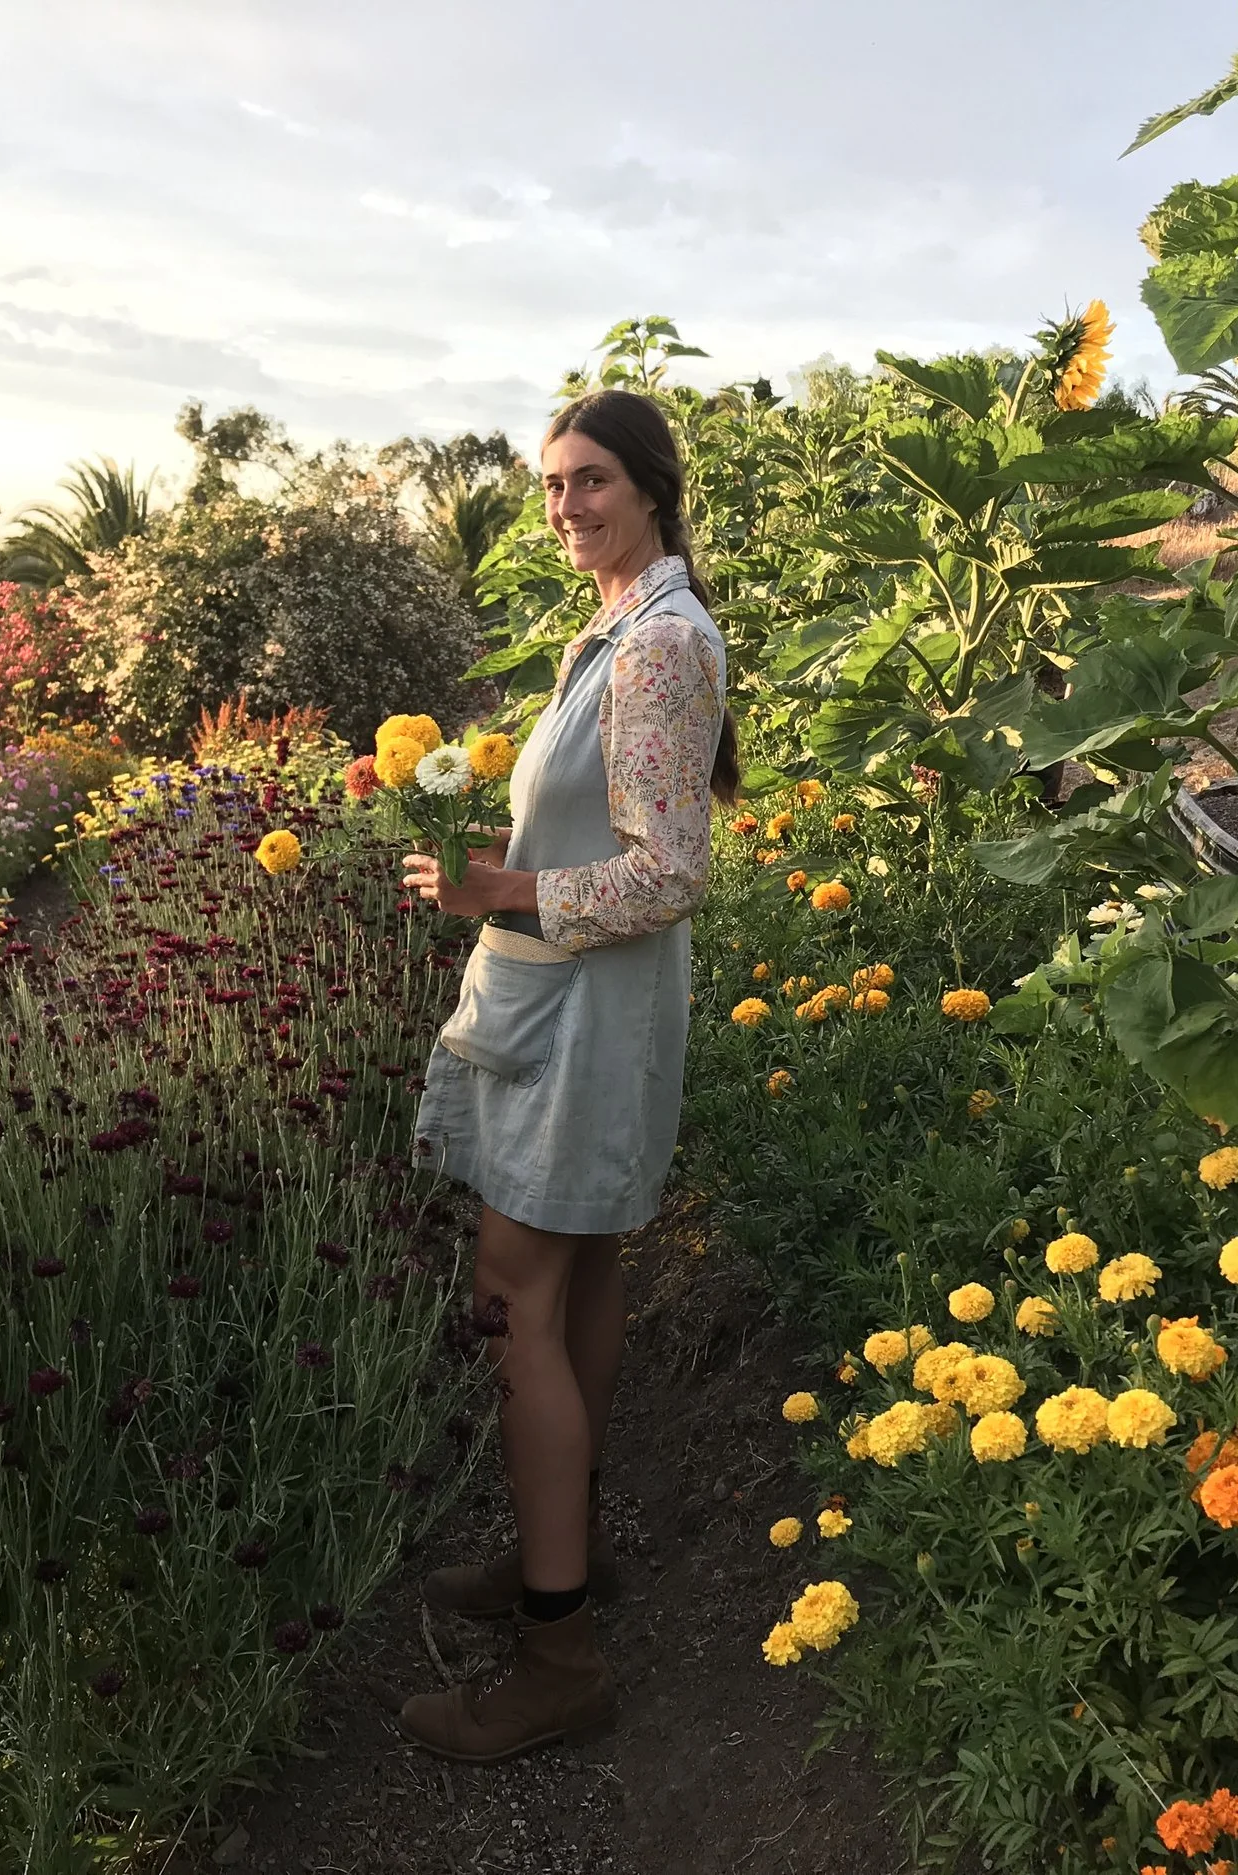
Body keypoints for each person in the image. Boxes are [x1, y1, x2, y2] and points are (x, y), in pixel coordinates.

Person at [396, 388, 735, 1762]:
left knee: (510, 1295)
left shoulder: (657, 645)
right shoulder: (626, 627)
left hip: (580, 1018)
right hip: (585, 1004)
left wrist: (503, 885)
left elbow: (671, 870)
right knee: (579, 1274)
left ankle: (558, 1650)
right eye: (551, 484)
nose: (565, 505)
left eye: (591, 479)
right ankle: (565, 1554)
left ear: (652, 487)